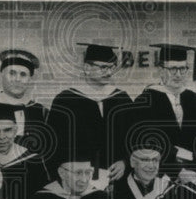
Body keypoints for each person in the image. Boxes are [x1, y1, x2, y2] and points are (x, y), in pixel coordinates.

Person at [46, 43, 134, 185]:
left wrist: (125, 162)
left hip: (118, 180)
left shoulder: (121, 99)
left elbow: (134, 138)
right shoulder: (65, 100)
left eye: (112, 67)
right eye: (103, 67)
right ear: (87, 68)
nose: (109, 72)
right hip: (77, 182)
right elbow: (53, 145)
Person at [129, 43, 196, 179]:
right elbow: (143, 142)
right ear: (161, 70)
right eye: (173, 69)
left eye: (183, 69)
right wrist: (177, 171)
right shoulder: (144, 102)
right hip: (160, 174)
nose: (178, 75)